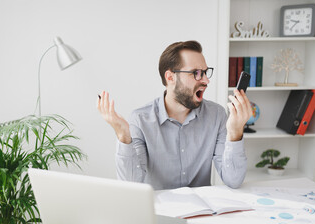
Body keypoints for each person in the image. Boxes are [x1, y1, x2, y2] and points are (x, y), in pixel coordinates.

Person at [97, 40, 252, 190]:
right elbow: (130, 183)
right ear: (170, 77)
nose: (206, 80)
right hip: (159, 212)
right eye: (196, 73)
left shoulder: (217, 115)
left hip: (202, 212)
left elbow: (233, 180)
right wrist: (123, 136)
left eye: (205, 72)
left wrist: (235, 132)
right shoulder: (140, 120)